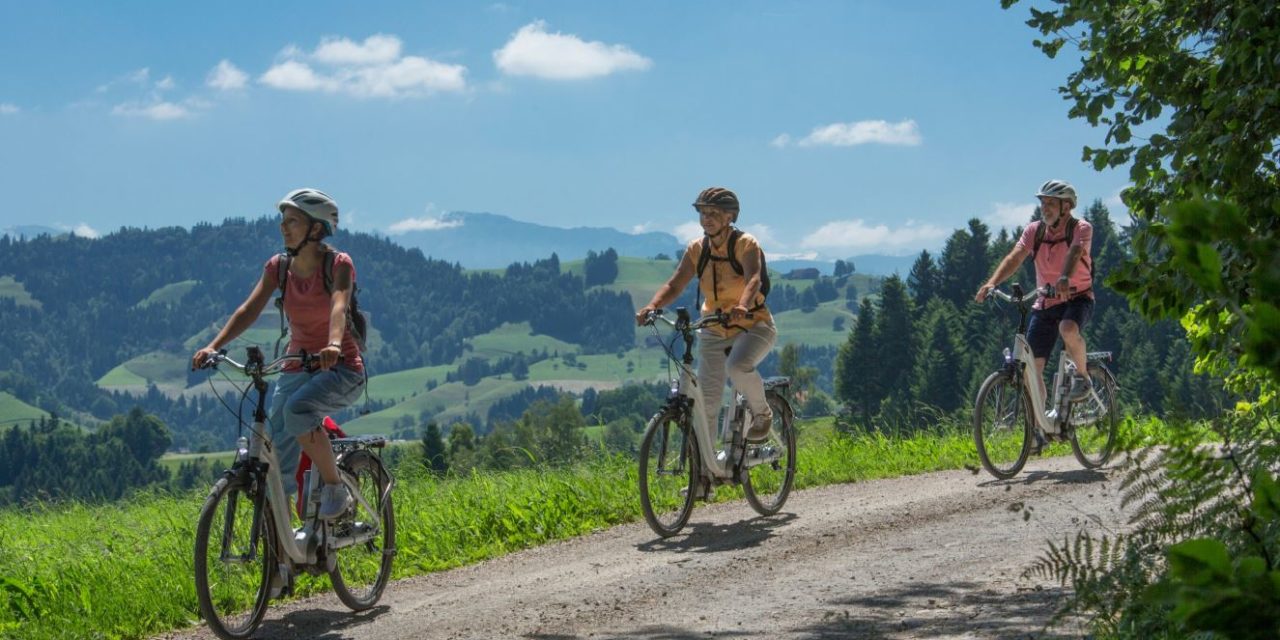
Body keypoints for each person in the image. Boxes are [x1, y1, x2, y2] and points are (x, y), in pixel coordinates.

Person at [192, 188, 364, 521]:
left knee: (298, 411)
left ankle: (335, 488)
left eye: (293, 222)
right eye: (282, 222)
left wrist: (331, 344)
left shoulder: (338, 264)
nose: (283, 228)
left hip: (340, 368)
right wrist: (214, 345)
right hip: (297, 364)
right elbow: (248, 310)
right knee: (276, 446)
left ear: (316, 229)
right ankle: (284, 555)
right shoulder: (279, 268)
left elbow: (338, 305)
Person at [636, 187, 777, 494]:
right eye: (702, 212)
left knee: (738, 367)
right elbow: (676, 283)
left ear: (730, 217)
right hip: (713, 326)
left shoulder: (745, 244)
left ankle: (763, 415)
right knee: (706, 404)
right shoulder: (696, 250)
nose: (707, 218)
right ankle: (703, 477)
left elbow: (753, 277)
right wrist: (652, 306)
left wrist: (742, 306)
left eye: (714, 213)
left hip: (753, 324)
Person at [974, 179, 1095, 439]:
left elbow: (1075, 253)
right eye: (1043, 203)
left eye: (1051, 203)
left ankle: (1083, 377)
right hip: (1046, 302)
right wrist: (992, 282)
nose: (1045, 208)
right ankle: (1042, 426)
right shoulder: (1034, 231)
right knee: (1031, 368)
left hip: (1077, 297)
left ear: (1067, 206)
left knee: (1068, 328)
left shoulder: (1081, 228)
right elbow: (1014, 257)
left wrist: (1064, 277)